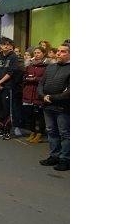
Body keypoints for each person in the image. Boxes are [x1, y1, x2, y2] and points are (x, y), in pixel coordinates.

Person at [38, 42, 70, 171]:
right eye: (59, 51)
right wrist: (43, 95)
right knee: (51, 131)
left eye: (63, 51)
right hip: (48, 106)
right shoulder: (51, 67)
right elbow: (41, 83)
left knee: (65, 134)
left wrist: (52, 97)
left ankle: (65, 159)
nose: (58, 53)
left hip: (63, 106)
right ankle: (54, 156)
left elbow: (70, 91)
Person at [0, 37, 24, 140]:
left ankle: (7, 130)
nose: (6, 46)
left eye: (8, 44)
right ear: (0, 46)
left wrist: (0, 83)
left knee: (6, 109)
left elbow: (11, 72)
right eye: (4, 44)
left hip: (7, 87)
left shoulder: (13, 57)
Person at [22, 46, 48, 143]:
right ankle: (32, 132)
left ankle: (39, 133)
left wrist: (35, 79)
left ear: (44, 54)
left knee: (40, 116)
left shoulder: (47, 66)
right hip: (28, 92)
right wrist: (27, 78)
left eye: (39, 53)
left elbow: (46, 79)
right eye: (35, 53)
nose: (36, 54)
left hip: (39, 93)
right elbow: (24, 76)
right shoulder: (29, 65)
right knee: (30, 115)